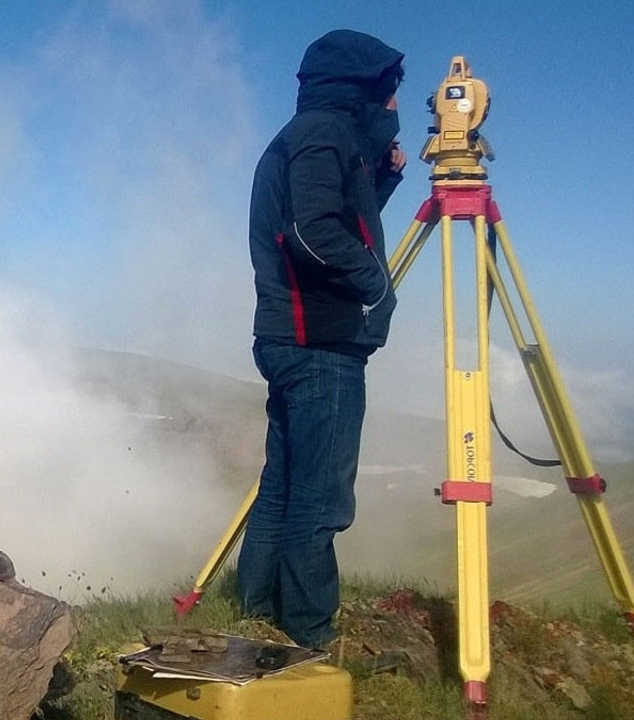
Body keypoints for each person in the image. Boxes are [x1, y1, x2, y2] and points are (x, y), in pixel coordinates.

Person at [238, 29, 405, 650]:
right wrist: (374, 287)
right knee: (321, 501)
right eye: (388, 92)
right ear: (359, 88)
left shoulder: (311, 136)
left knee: (283, 488)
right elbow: (313, 232)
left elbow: (337, 217)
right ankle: (310, 639)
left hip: (290, 336)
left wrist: (379, 178)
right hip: (318, 343)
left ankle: (254, 618)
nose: (394, 106)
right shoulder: (323, 135)